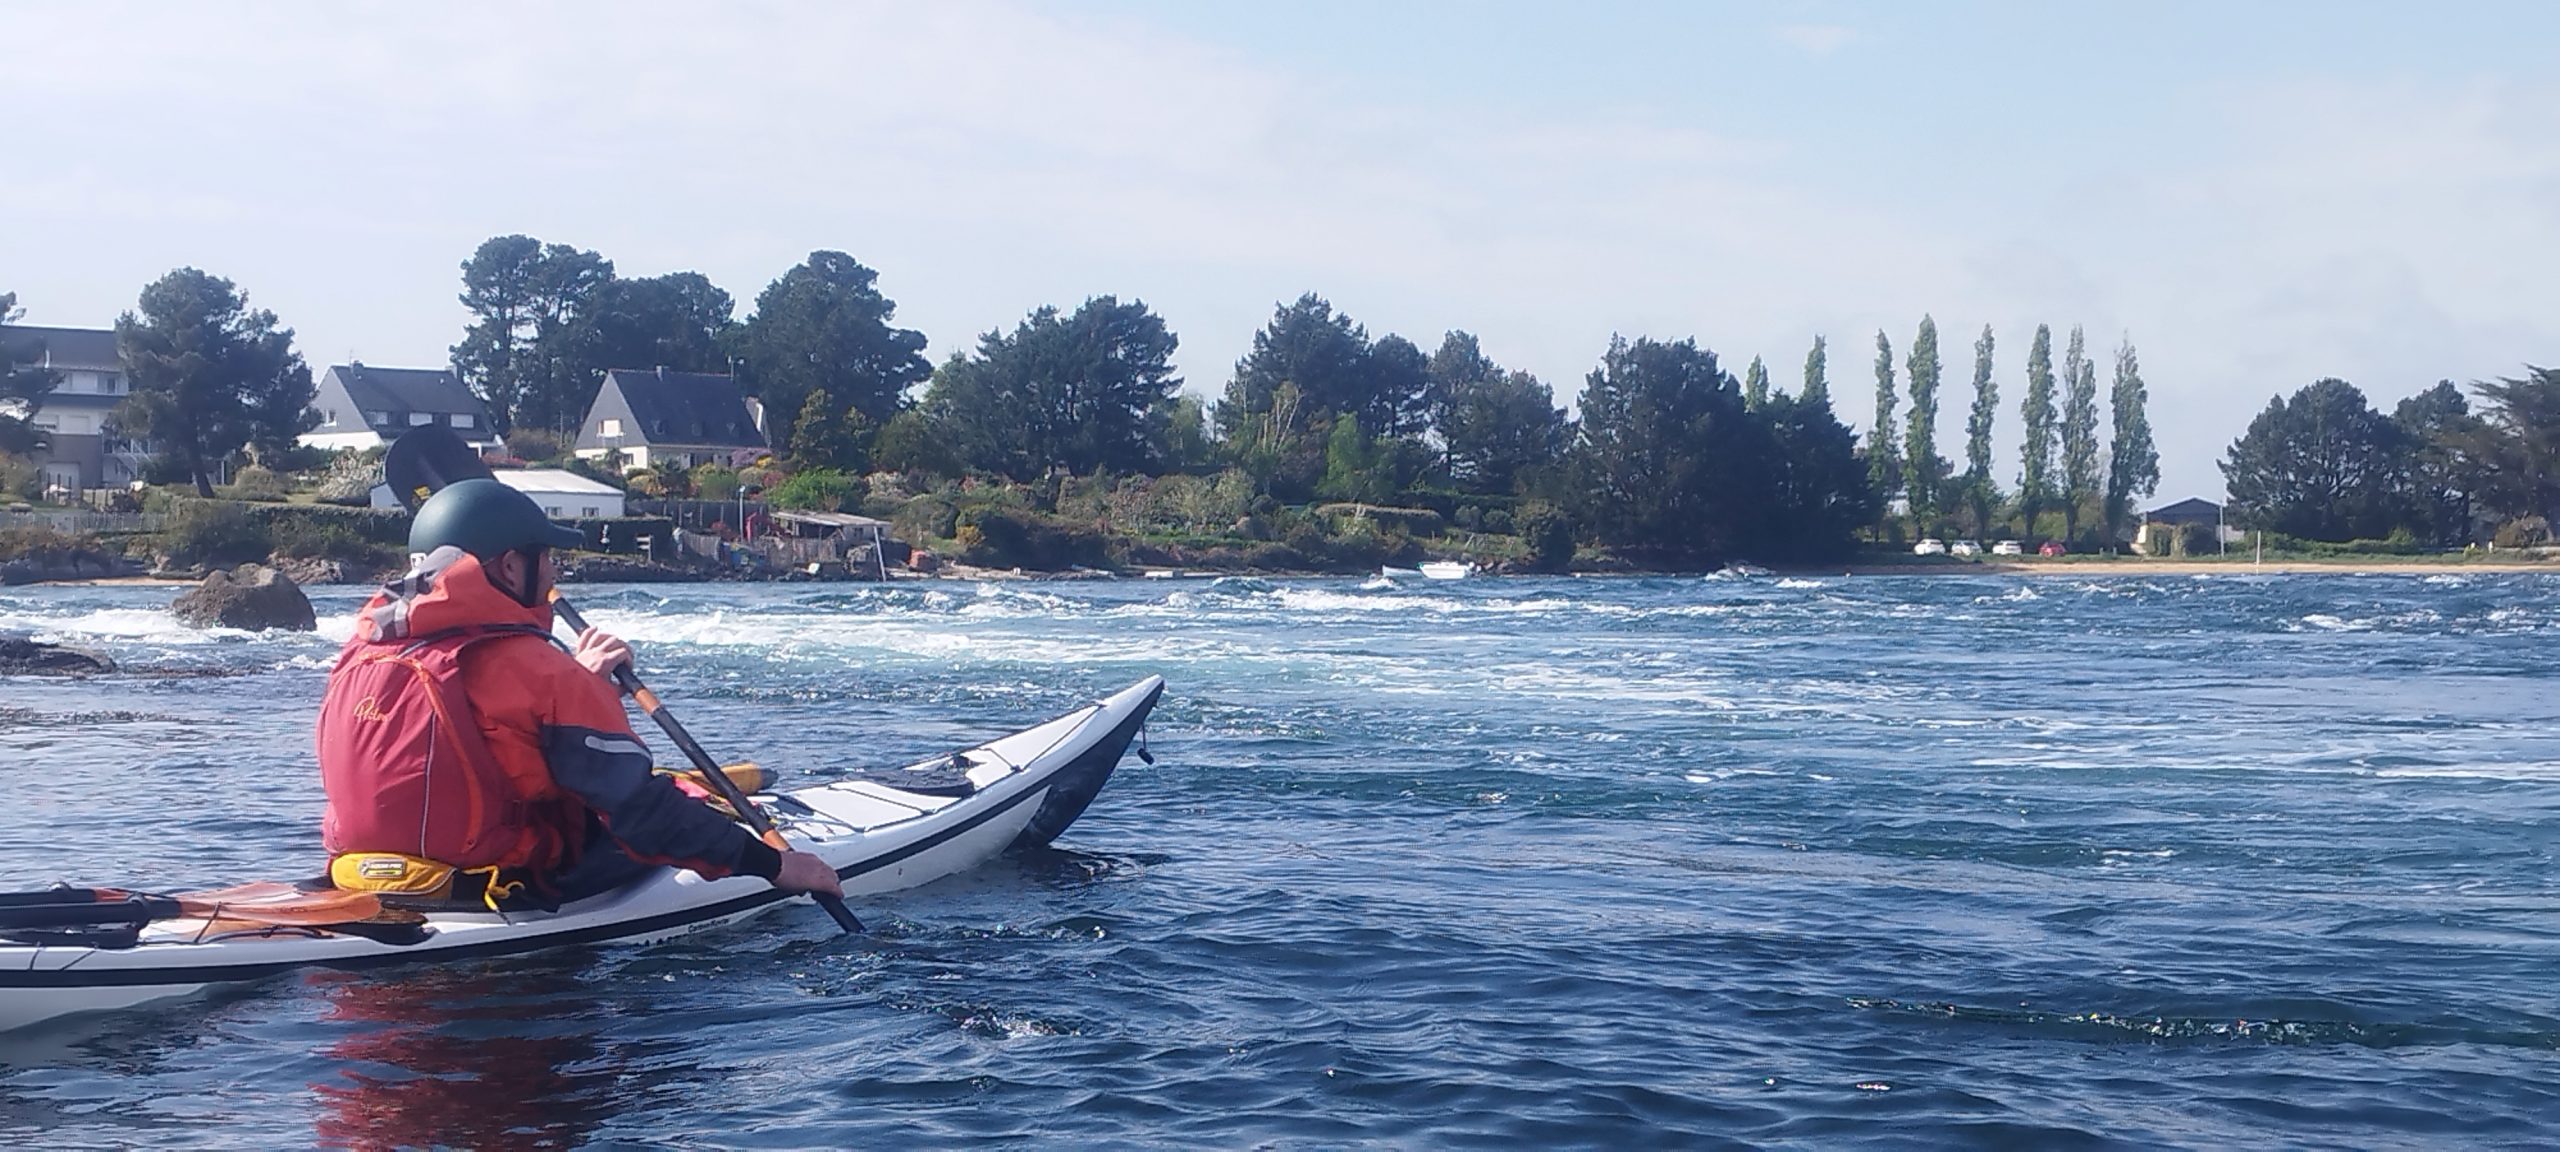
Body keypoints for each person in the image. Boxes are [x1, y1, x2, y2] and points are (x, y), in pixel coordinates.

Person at [316, 478, 841, 909]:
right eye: (543, 556)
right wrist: (776, 866)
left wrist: (582, 681)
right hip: (494, 889)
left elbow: (494, 733)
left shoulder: (358, 652)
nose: (554, 571)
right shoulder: (540, 671)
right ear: (509, 567)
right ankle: (719, 810)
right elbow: (644, 815)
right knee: (656, 814)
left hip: (361, 877)